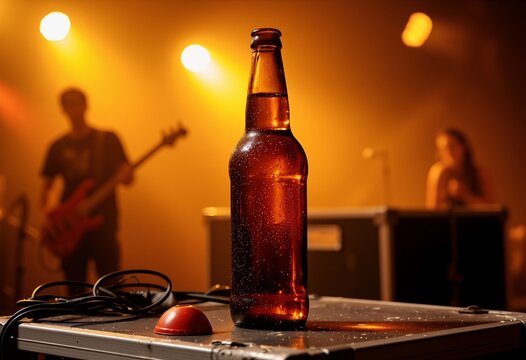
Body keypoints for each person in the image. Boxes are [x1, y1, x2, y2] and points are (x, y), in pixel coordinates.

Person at [40, 87, 134, 290]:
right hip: (70, 229)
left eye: (77, 103)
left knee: (111, 287)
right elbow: (46, 187)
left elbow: (127, 176)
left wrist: (127, 176)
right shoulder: (57, 146)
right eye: (69, 104)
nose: (74, 109)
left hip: (104, 224)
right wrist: (50, 217)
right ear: (63, 109)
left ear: (86, 105)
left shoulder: (107, 139)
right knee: (74, 289)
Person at [425, 127, 496, 208]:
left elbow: (492, 207)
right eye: (443, 149)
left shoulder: (480, 173)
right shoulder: (438, 172)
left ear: (464, 147)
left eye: (452, 146)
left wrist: (466, 196)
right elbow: (432, 210)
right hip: (447, 220)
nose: (448, 152)